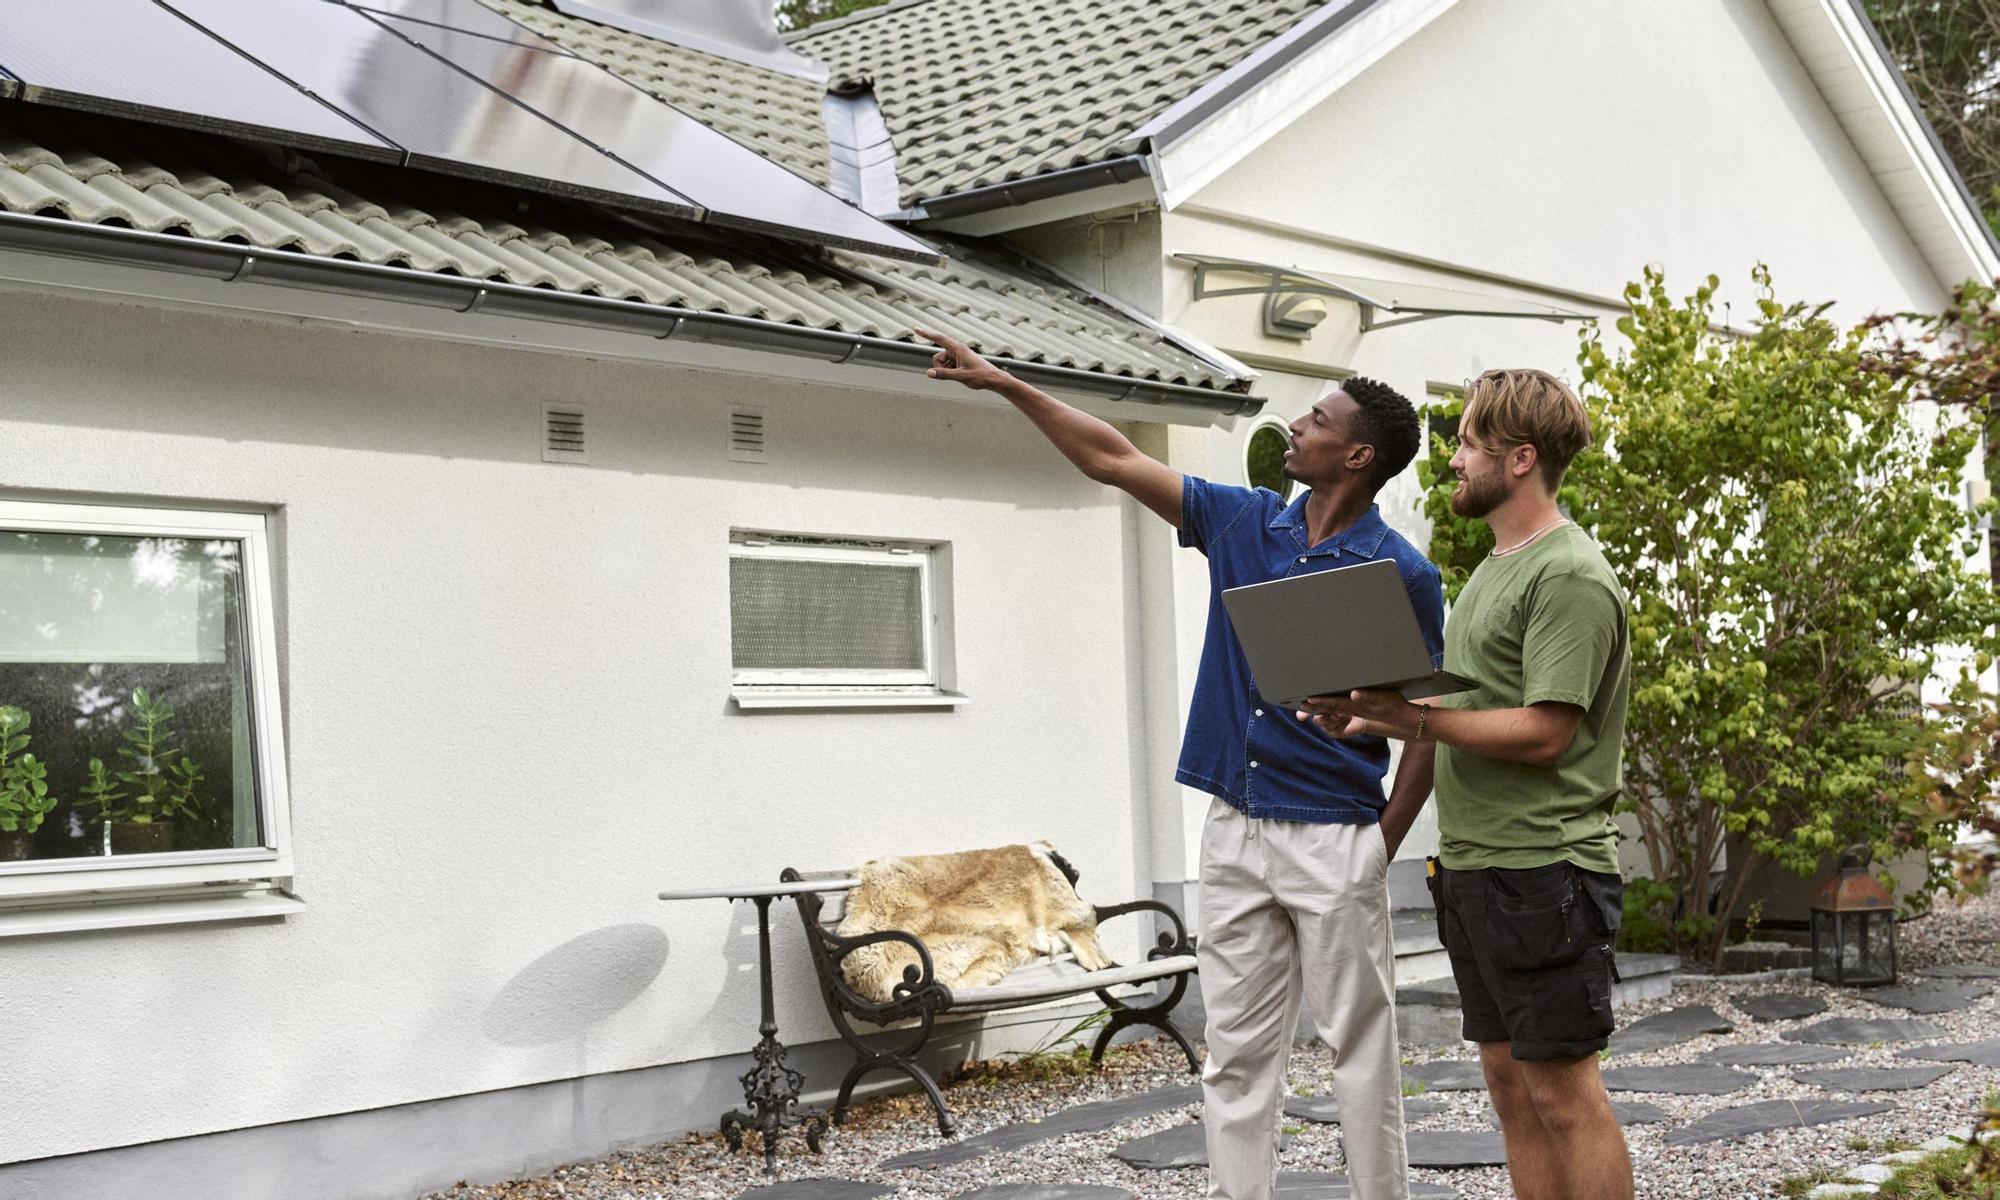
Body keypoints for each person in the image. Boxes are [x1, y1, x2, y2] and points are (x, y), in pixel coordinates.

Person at [916, 327, 1440, 1200]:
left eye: (1316, 419)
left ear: (1356, 454)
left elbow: (1427, 723)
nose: (1297, 427)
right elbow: (1114, 458)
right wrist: (1003, 381)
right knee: (1235, 1056)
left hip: (1334, 837)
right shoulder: (1243, 521)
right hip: (1232, 829)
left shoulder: (1402, 571)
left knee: (1360, 1052)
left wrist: (1379, 844)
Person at [1298, 367, 1634, 1200]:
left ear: (1520, 458)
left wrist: (1411, 722)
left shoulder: (1568, 574)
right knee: (1511, 1086)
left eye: (1468, 442)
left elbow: (1546, 732)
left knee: (1564, 1094)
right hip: (1480, 868)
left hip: (1546, 871)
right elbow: (1474, 708)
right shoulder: (1495, 567)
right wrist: (1369, 713)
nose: (1453, 461)